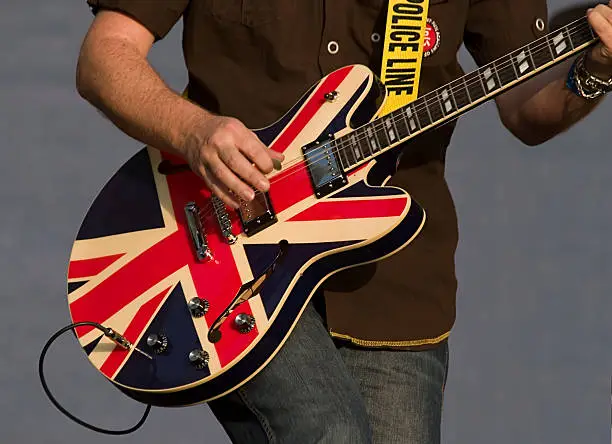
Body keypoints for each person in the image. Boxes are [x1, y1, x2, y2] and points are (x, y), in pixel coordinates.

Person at [76, 1, 612, 443]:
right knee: (329, 431)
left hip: (395, 281)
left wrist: (594, 71)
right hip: (227, 257)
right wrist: (194, 130)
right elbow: (105, 56)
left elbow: (527, 106)